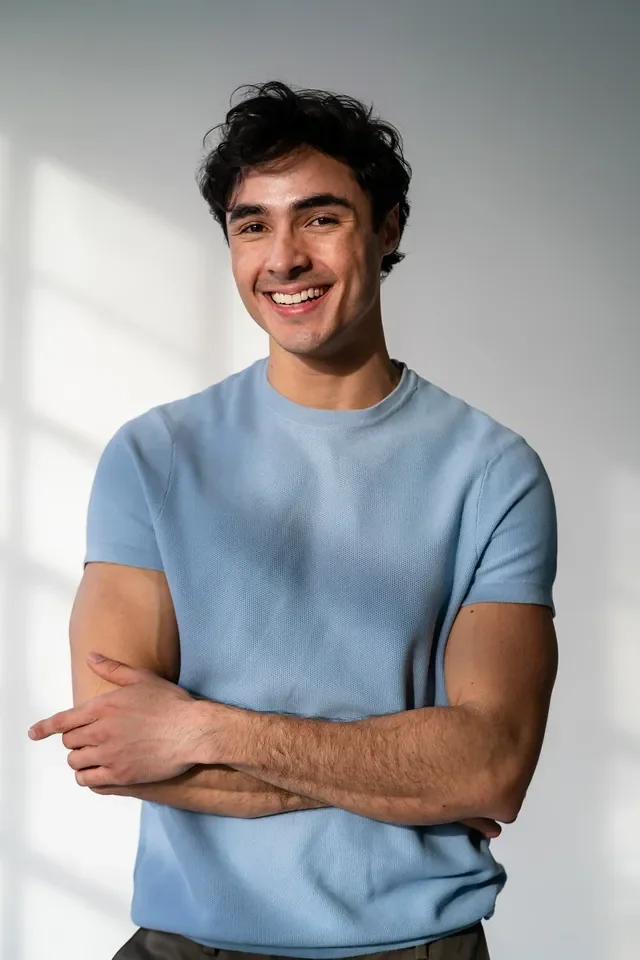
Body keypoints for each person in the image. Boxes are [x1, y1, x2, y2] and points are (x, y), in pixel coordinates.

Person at [28, 81, 558, 960]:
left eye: (320, 219)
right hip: (185, 945)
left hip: (414, 949)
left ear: (386, 228)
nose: (283, 258)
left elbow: (491, 767)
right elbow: (114, 744)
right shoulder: (152, 457)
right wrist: (409, 779)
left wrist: (204, 728)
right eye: (252, 225)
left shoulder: (492, 471)